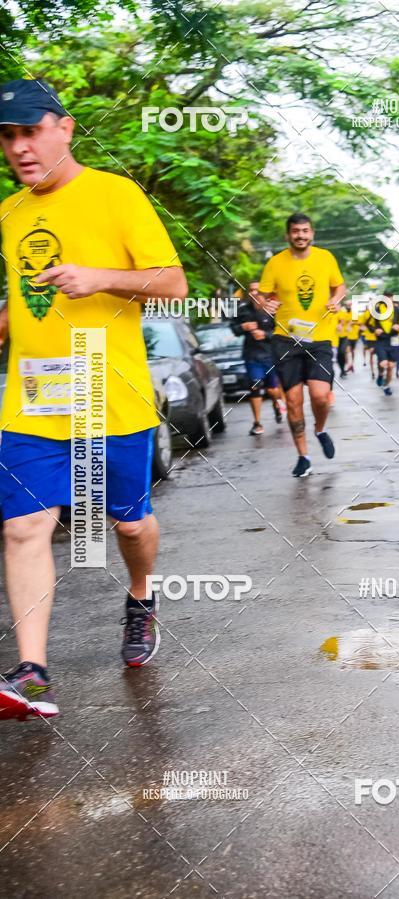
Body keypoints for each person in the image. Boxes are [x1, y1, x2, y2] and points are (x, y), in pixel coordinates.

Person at [0, 79, 188, 719]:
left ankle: (140, 597)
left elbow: (174, 282)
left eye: (30, 131)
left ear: (65, 127)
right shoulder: (10, 212)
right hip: (34, 401)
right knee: (24, 527)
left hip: (111, 395)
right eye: (8, 136)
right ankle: (32, 673)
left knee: (128, 523)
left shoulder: (114, 193)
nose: (20, 148)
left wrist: (100, 278)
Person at [257, 213, 345, 477]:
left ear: (312, 233)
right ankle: (303, 456)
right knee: (294, 401)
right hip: (286, 340)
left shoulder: (325, 258)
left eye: (305, 231)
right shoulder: (275, 263)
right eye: (296, 231)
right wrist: (265, 304)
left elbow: (339, 286)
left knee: (320, 396)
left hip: (320, 338)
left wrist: (336, 299)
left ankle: (320, 428)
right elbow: (262, 297)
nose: (301, 236)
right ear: (288, 235)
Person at [230, 280, 285, 435]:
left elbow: (283, 332)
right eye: (251, 290)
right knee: (255, 387)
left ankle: (277, 404)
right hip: (252, 356)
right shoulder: (243, 311)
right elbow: (233, 328)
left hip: (271, 356)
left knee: (273, 390)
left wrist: (265, 335)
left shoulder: (273, 310)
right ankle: (257, 423)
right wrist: (242, 327)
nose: (254, 293)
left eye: (257, 290)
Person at [364, 291, 399, 396]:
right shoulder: (376, 310)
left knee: (391, 366)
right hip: (381, 340)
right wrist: (375, 330)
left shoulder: (398, 311)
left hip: (394, 340)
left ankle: (386, 385)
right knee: (383, 363)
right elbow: (368, 324)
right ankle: (381, 374)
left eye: (390, 301)